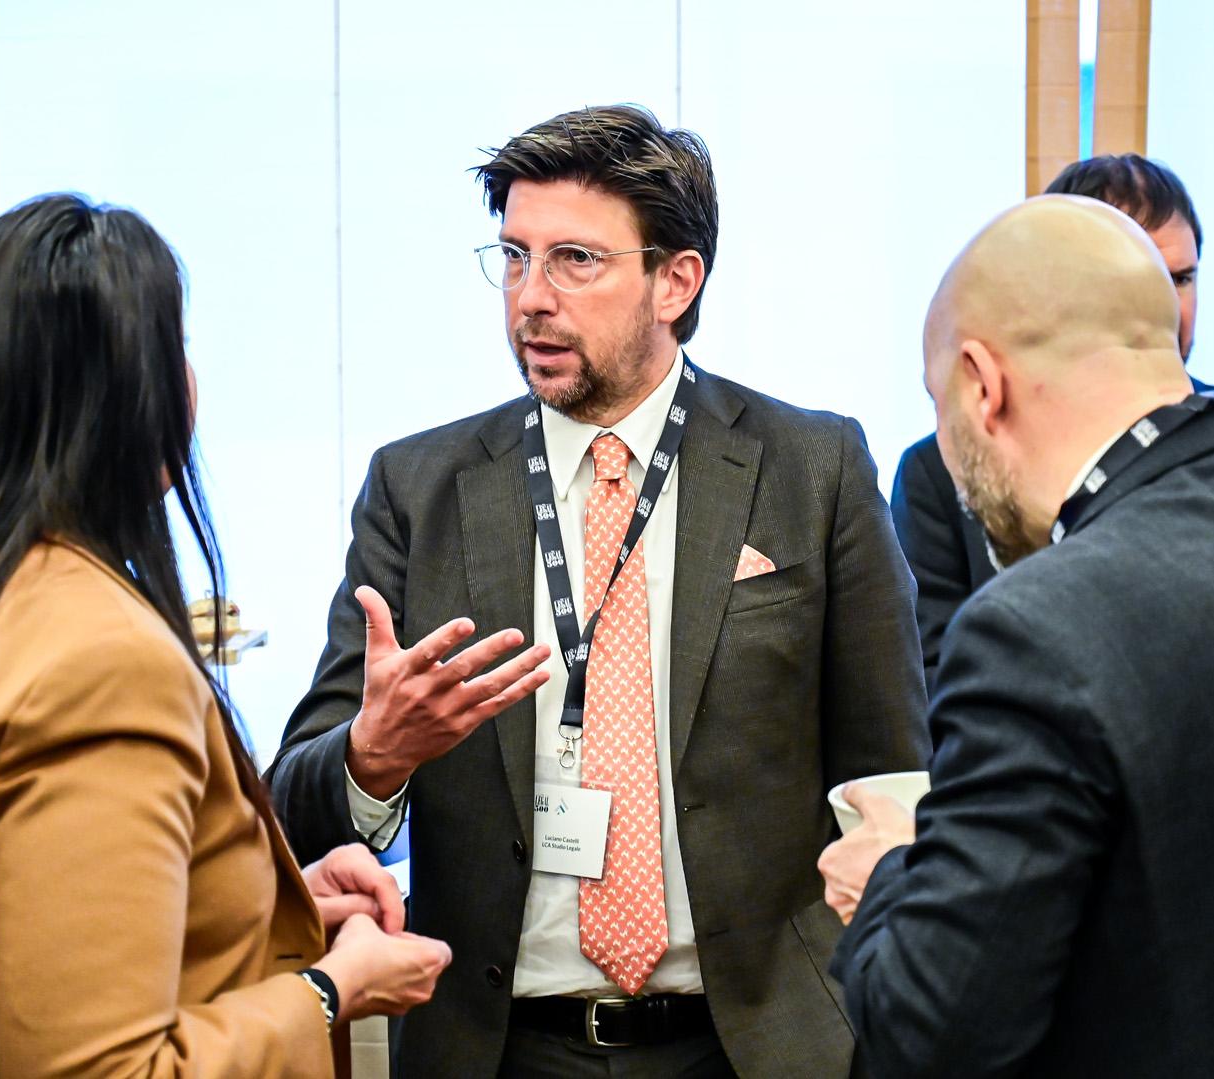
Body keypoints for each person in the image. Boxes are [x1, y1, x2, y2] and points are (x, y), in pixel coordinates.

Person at [269, 104, 928, 1077]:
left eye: (575, 260)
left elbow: (892, 779)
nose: (531, 299)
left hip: (759, 1044)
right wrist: (374, 756)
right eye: (514, 258)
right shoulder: (418, 489)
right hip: (498, 1046)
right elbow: (294, 806)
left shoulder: (811, 468)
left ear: (676, 281)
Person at [0, 194, 451, 1076]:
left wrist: (268, 912)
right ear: (131, 394)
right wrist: (332, 989)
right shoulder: (103, 659)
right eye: (173, 346)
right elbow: (103, 1066)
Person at [819, 194, 1214, 1076]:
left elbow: (935, 1032)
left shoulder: (1035, 629)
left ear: (981, 384)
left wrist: (892, 875)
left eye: (937, 402)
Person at [893, 154, 1214, 689]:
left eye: (1182, 278)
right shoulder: (945, 466)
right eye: (1137, 279)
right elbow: (933, 686)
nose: (1168, 305)